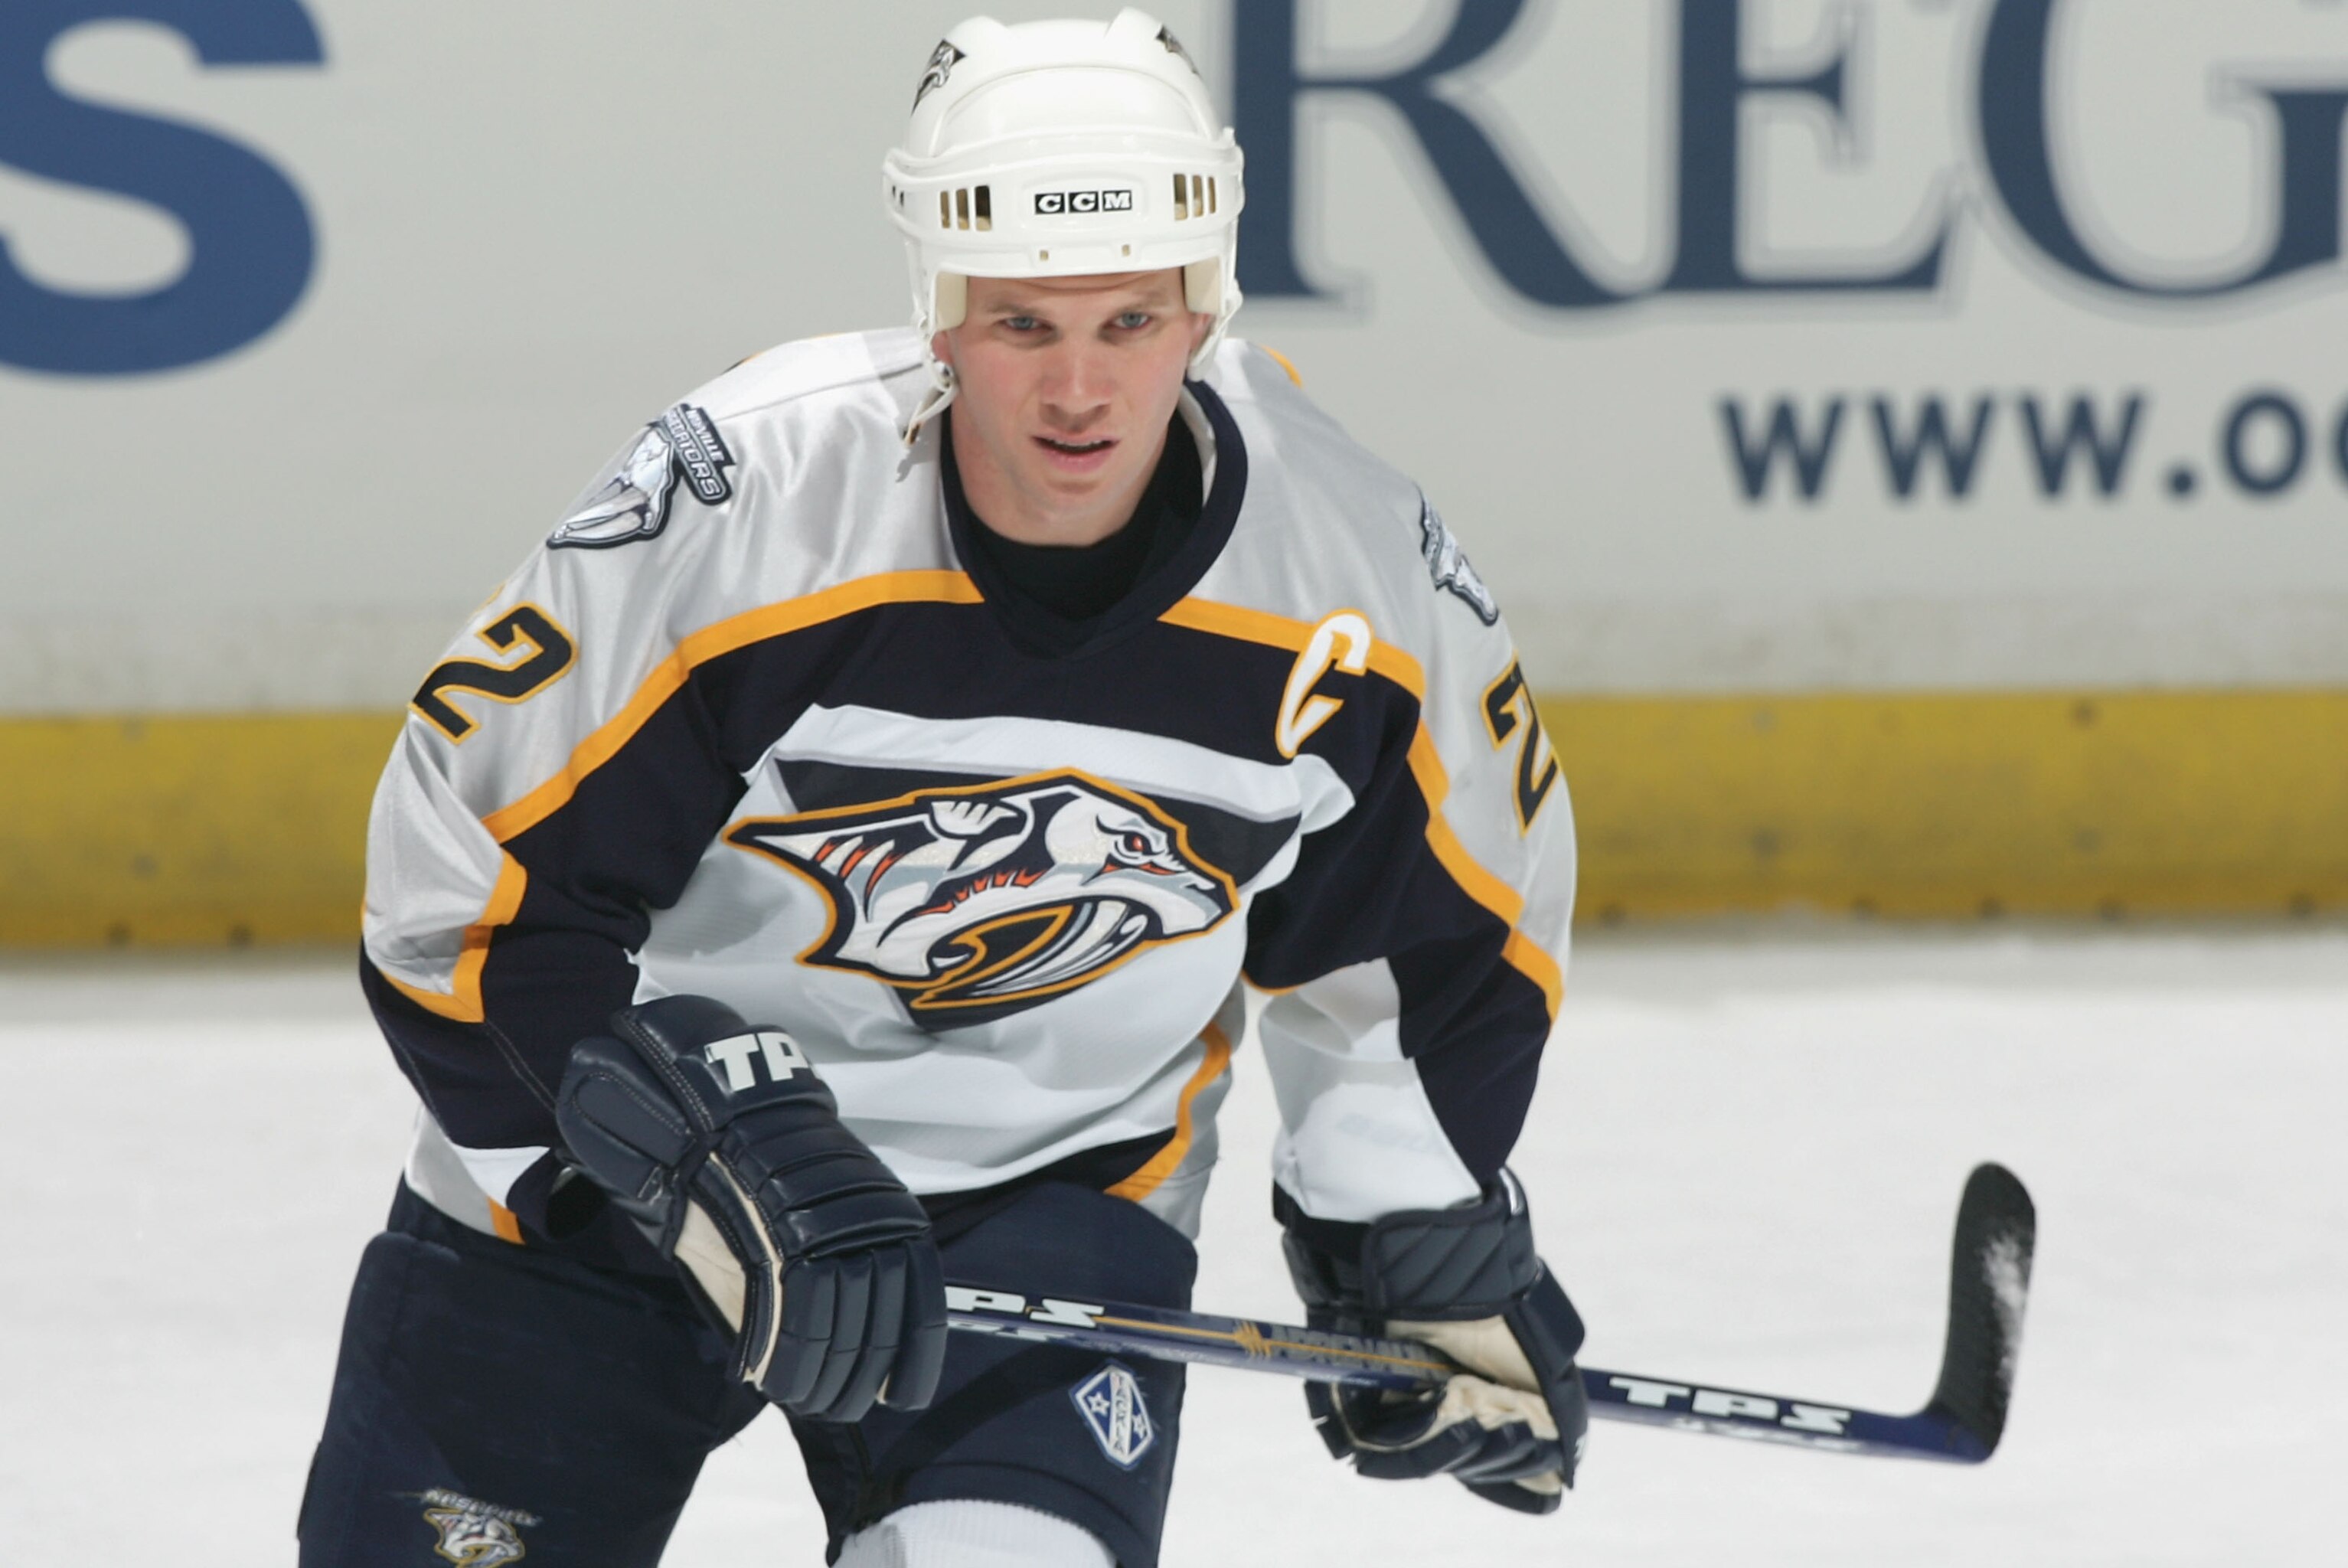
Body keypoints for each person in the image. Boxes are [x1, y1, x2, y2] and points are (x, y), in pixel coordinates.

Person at [299, 11, 1586, 1566]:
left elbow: (1427, 942)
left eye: (1131, 320)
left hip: (1043, 1205)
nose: (1079, 390)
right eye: (1022, 323)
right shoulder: (755, 504)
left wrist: (1409, 1214)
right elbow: (470, 880)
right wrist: (663, 1152)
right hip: (621, 1184)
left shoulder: (1355, 573)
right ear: (939, 307)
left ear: (1207, 304)